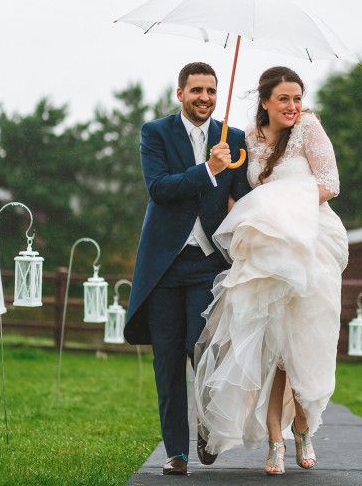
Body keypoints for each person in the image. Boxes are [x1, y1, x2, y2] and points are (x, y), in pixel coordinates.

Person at [194, 66, 349, 475]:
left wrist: (285, 209)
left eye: (297, 98)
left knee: (304, 340)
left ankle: (303, 428)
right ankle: (275, 439)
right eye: (284, 99)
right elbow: (243, 195)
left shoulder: (310, 128)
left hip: (311, 243)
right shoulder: (248, 138)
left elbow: (329, 183)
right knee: (271, 345)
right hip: (267, 252)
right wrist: (246, 214)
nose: (293, 106)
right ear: (265, 101)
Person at [123, 61, 251, 476]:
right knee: (167, 362)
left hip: (208, 264)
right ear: (180, 93)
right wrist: (208, 170)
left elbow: (243, 198)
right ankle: (176, 451)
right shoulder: (155, 133)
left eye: (211, 91)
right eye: (197, 90)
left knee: (205, 351)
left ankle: (209, 431)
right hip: (163, 266)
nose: (205, 98)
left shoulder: (232, 137)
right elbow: (159, 189)